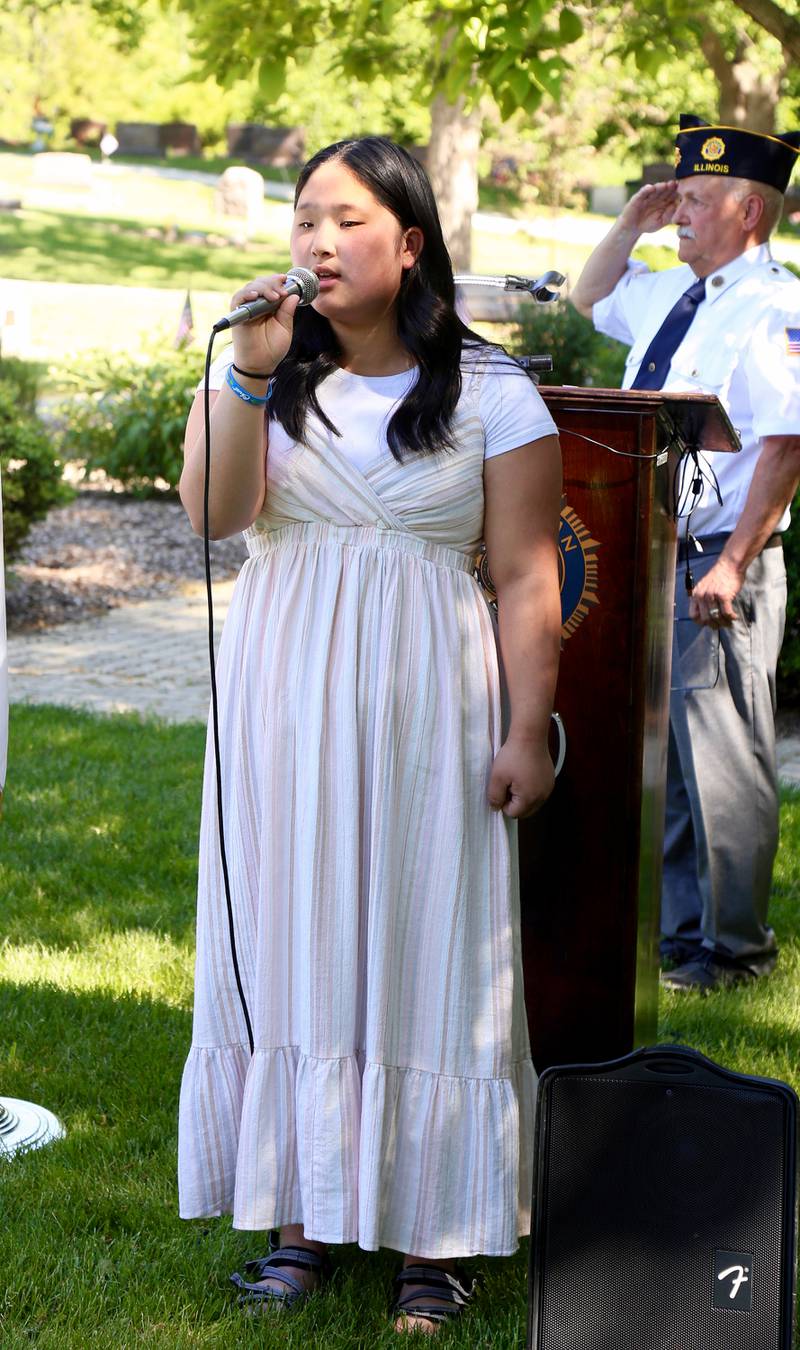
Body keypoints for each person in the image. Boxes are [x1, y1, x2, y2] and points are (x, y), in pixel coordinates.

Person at [177, 136, 562, 1333]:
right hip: (281, 703)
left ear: (408, 242)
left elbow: (522, 576)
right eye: (304, 221)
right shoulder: (257, 370)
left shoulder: (493, 393)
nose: (318, 242)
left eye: (346, 221)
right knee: (292, 933)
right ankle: (298, 1219)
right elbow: (214, 513)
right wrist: (240, 376)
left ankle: (433, 1241)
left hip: (428, 714)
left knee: (423, 938)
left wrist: (526, 730)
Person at [571, 114, 800, 993]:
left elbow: (784, 443)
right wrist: (631, 222)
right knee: (663, 753)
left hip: (717, 556)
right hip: (649, 546)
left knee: (725, 756)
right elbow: (593, 297)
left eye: (696, 201)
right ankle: (679, 933)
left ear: (750, 210)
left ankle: (736, 948)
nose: (681, 216)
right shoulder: (672, 292)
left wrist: (735, 563)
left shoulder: (778, 305)